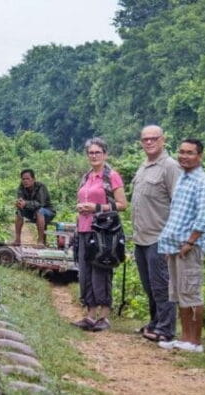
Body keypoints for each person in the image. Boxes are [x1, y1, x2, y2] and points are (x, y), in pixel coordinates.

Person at [157, 138, 205, 353]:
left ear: (199, 156)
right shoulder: (182, 177)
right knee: (179, 293)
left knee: (191, 292)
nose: (184, 156)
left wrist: (190, 241)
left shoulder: (202, 181)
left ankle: (195, 341)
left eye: (189, 153)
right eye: (181, 152)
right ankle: (184, 338)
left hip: (189, 246)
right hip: (173, 245)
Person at [131, 125, 182, 342]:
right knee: (149, 285)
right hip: (141, 237)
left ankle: (166, 328)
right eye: (145, 139)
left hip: (160, 237)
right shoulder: (144, 166)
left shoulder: (170, 167)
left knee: (162, 285)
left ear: (163, 140)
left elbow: (179, 203)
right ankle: (154, 322)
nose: (149, 142)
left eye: (154, 138)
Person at [73, 137, 128, 332]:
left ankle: (104, 316)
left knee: (101, 272)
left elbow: (122, 205)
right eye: (90, 152)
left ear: (105, 154)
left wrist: (97, 207)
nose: (94, 156)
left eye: (97, 152)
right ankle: (89, 315)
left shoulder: (111, 176)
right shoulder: (86, 176)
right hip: (84, 229)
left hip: (103, 232)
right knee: (85, 272)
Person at [13, 169, 55, 246]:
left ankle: (40, 241)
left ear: (33, 179)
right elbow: (21, 200)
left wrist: (26, 203)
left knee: (40, 211)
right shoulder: (21, 187)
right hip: (32, 211)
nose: (25, 181)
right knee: (19, 212)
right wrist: (19, 203)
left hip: (47, 211)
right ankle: (17, 239)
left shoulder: (41, 186)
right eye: (23, 179)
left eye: (28, 179)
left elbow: (40, 203)